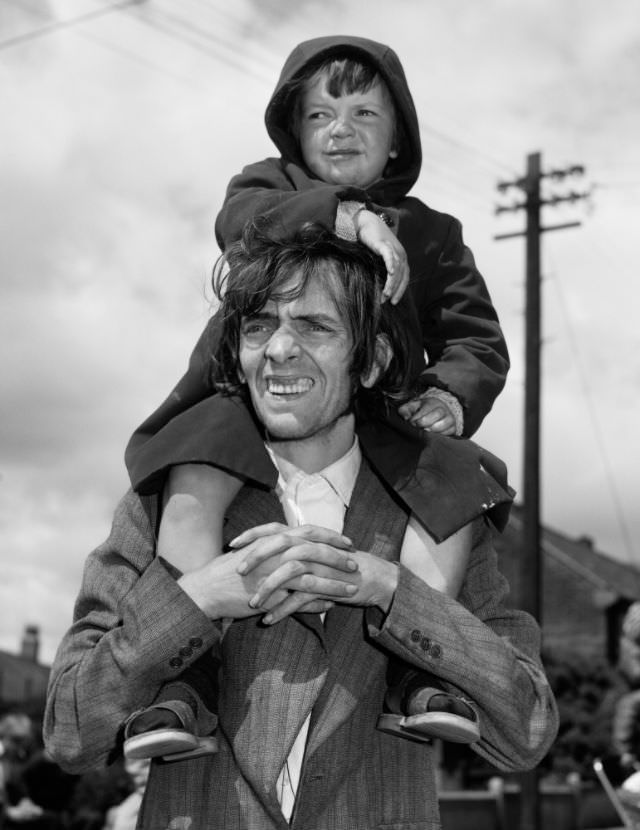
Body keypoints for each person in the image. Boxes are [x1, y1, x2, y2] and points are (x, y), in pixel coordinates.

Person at [44, 222, 557, 829]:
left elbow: (526, 729)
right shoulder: (161, 504)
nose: (279, 349)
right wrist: (195, 600)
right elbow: (70, 730)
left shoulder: (440, 518)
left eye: (315, 326)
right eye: (258, 326)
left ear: (372, 361)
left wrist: (394, 592)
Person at [121, 34, 511, 760]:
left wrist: (450, 399)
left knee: (457, 478)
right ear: (293, 129)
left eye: (365, 113)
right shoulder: (262, 189)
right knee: (194, 473)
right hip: (237, 398)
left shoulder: (432, 234)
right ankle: (186, 679)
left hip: (383, 409)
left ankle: (421, 672)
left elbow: (476, 340)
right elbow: (242, 223)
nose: (341, 129)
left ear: (400, 142)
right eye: (321, 114)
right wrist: (346, 217)